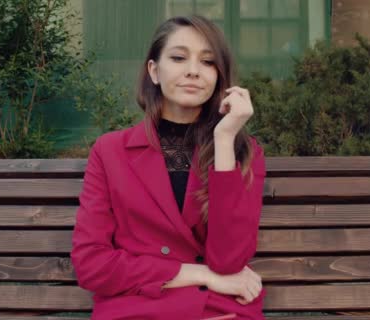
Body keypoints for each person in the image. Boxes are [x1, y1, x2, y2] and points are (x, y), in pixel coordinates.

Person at [71, 15, 266, 320]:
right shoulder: (109, 152)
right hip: (137, 308)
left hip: (215, 308)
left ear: (219, 76)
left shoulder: (243, 151)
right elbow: (91, 265)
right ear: (154, 71)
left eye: (208, 62)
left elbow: (229, 261)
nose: (192, 71)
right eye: (178, 58)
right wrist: (202, 275)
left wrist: (225, 139)